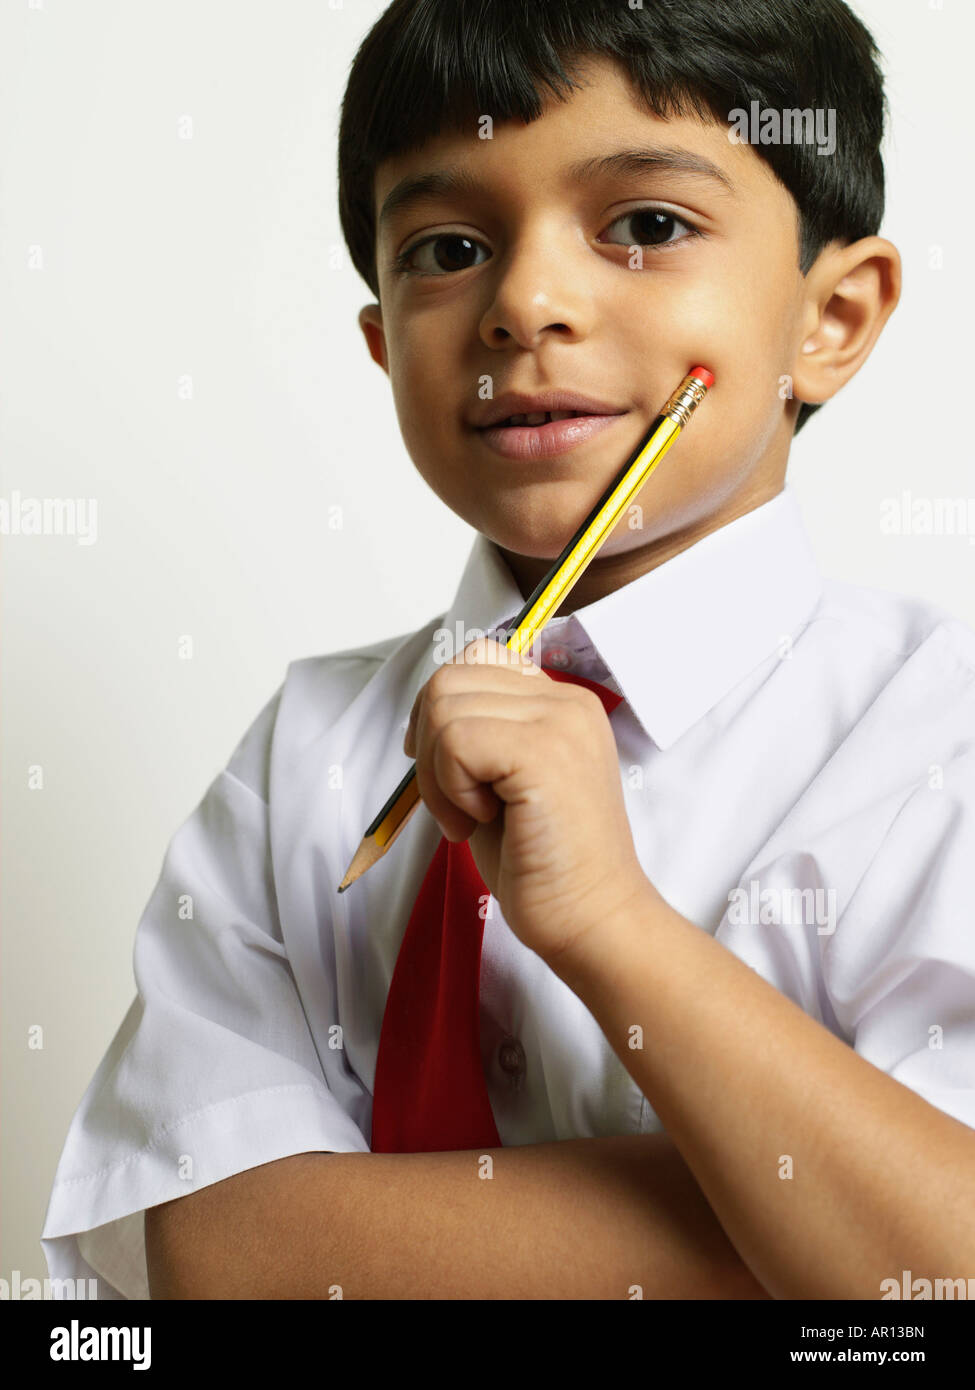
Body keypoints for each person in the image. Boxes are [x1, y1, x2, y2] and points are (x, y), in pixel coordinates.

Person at [42, 0, 975, 1300]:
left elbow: (948, 1263)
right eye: (448, 246)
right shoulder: (299, 762)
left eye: (648, 225)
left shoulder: (941, 744)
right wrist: (786, 1223)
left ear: (833, 316)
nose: (526, 302)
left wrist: (610, 922)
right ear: (382, 345)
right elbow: (216, 1250)